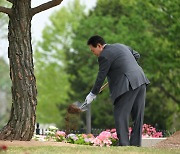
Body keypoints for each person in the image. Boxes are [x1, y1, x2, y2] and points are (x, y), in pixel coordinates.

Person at [84, 35, 150, 146]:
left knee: (120, 114)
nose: (93, 53)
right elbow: (137, 55)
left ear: (99, 46)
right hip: (140, 80)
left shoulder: (104, 56)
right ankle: (135, 145)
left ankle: (124, 144)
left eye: (93, 50)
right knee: (137, 116)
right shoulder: (121, 46)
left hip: (128, 84)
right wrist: (123, 66)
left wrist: (92, 93)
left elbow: (101, 76)